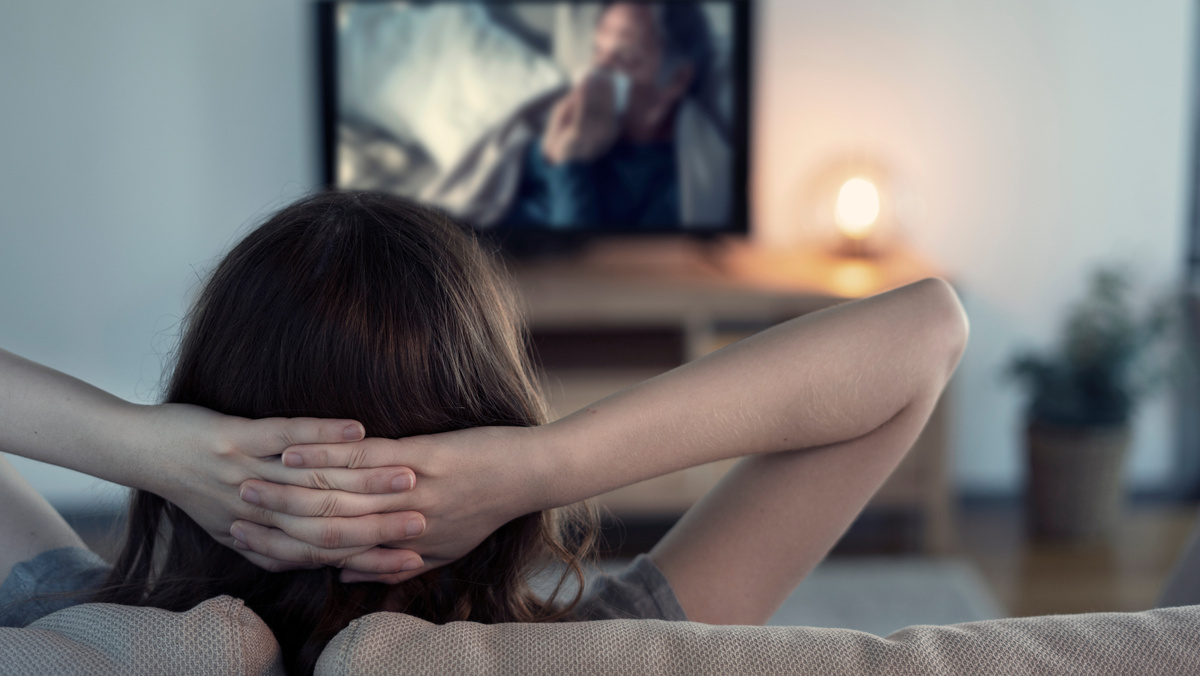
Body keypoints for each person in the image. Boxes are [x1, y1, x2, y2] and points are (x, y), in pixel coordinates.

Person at [0, 191, 968, 674]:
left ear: (206, 411)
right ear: (492, 410)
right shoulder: (613, 647)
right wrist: (547, 463)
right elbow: (926, 330)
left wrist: (137, 443)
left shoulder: (77, 631)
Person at [501, 3, 715, 229]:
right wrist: (550, 142)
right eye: (597, 50)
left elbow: (577, 258)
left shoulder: (678, 188)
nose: (597, 69)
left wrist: (569, 163)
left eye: (625, 57)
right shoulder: (575, 116)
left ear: (677, 79)